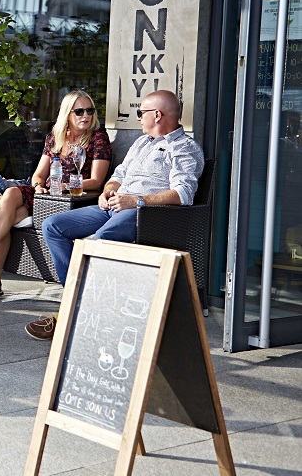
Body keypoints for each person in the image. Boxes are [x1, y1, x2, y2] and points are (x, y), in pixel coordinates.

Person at [26, 90, 204, 340]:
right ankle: (78, 301)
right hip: (113, 206)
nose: (139, 118)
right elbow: (118, 176)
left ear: (157, 115)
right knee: (53, 226)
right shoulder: (142, 143)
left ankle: (69, 314)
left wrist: (135, 201)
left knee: (99, 241)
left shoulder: (184, 148)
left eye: (141, 113)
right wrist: (107, 191)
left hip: (145, 214)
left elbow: (184, 194)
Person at [0, 90, 111, 300]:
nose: (86, 115)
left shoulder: (98, 138)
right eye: (79, 111)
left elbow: (96, 181)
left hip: (69, 200)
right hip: (45, 195)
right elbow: (39, 174)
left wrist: (64, 185)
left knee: (2, 216)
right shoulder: (55, 138)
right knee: (11, 195)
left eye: (90, 110)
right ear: (67, 114)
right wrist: (39, 186)